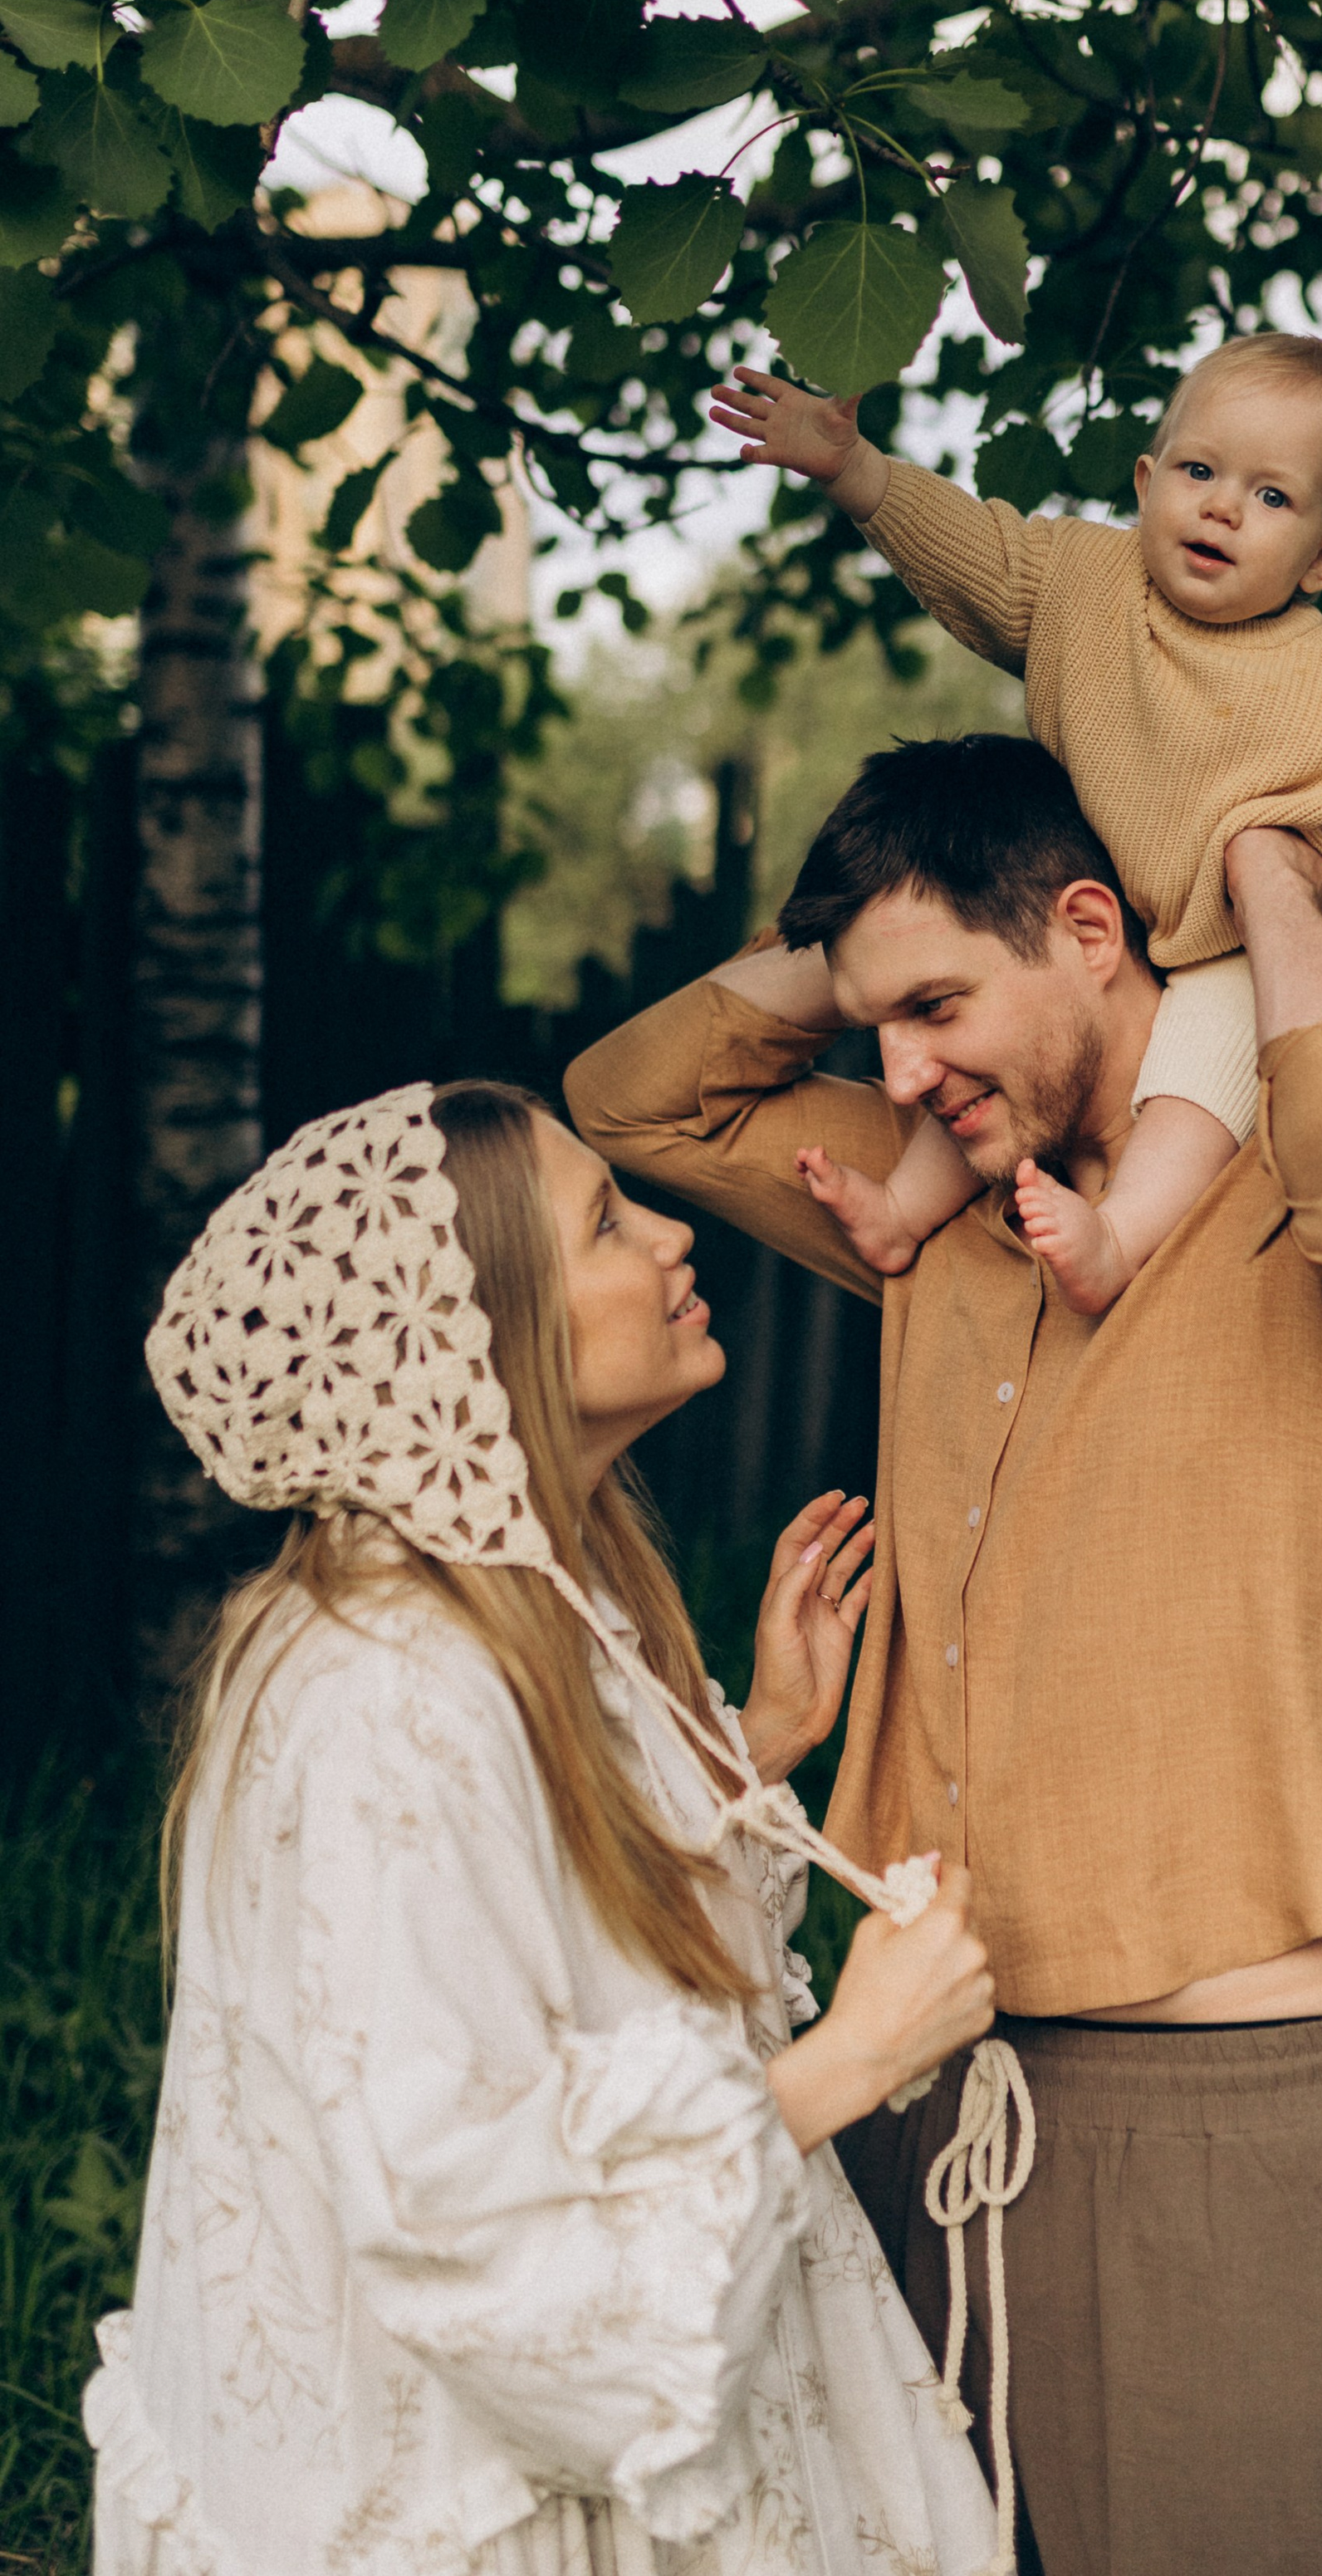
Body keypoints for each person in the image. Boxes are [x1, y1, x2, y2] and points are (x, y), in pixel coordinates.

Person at [564, 737, 1322, 2576]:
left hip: (1239, 2152)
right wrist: (876, 959)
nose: (897, 1070)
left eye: (939, 1006)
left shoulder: (1318, 1213)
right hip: (916, 2102)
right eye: (877, 1025)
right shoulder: (939, 1196)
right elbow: (631, 1102)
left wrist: (1247, 872)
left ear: (1095, 929)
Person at [90, 1077, 1001, 2576]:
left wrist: (750, 1743)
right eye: (604, 1225)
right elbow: (471, 2229)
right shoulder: (390, 1692)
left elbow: (570, 1966)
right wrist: (854, 2058)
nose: (669, 1235)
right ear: (481, 1335)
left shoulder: (512, 1607)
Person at [708, 331, 1322, 1313]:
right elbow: (977, 558)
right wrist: (854, 470)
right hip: (1106, 907)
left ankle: (1120, 1237)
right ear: (1146, 483)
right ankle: (901, 1211)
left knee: (1194, 1081)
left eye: (1271, 497)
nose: (1222, 507)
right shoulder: (1081, 583)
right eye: (1198, 472)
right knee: (981, 1035)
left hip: (1234, 945)